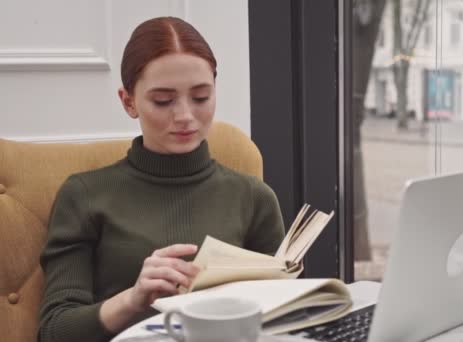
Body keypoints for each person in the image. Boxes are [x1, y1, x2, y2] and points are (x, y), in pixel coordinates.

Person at [37, 17, 285, 342]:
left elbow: (284, 317)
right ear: (128, 102)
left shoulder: (255, 197)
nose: (184, 116)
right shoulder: (84, 195)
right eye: (163, 101)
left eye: (200, 97)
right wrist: (133, 298)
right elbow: (54, 332)